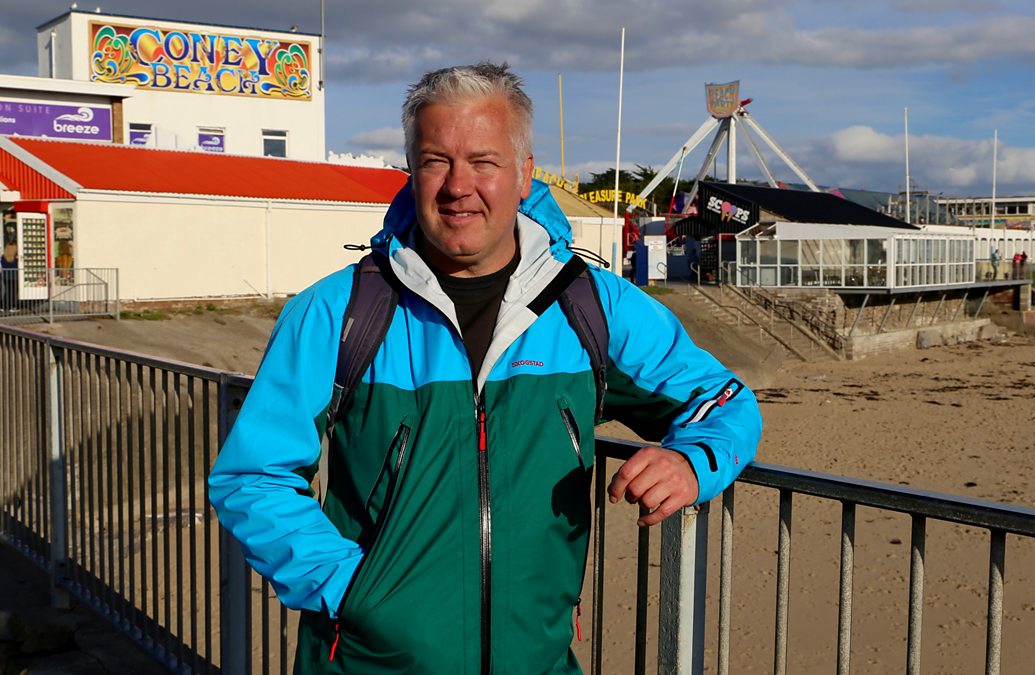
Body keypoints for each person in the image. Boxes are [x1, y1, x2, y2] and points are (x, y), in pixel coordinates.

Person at [208, 62, 761, 674]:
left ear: (525, 175)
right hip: (370, 661)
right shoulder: (336, 313)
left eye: (484, 161)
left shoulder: (591, 306)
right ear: (411, 172)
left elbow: (723, 399)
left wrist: (690, 460)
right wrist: (355, 591)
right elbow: (251, 477)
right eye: (435, 160)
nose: (457, 186)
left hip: (537, 660)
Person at [1, 241, 17, 312]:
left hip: (5, 276)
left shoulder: (3, 257)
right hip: (14, 276)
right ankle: (12, 307)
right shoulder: (15, 258)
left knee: (7, 292)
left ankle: (3, 306)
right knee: (13, 292)